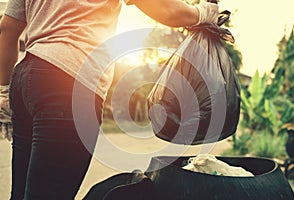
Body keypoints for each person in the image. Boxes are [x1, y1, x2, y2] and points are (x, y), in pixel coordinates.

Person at [0, 0, 218, 199]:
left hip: (26, 77)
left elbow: (7, 29)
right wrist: (202, 12)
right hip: (69, 82)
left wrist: (4, 91)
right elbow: (165, 9)